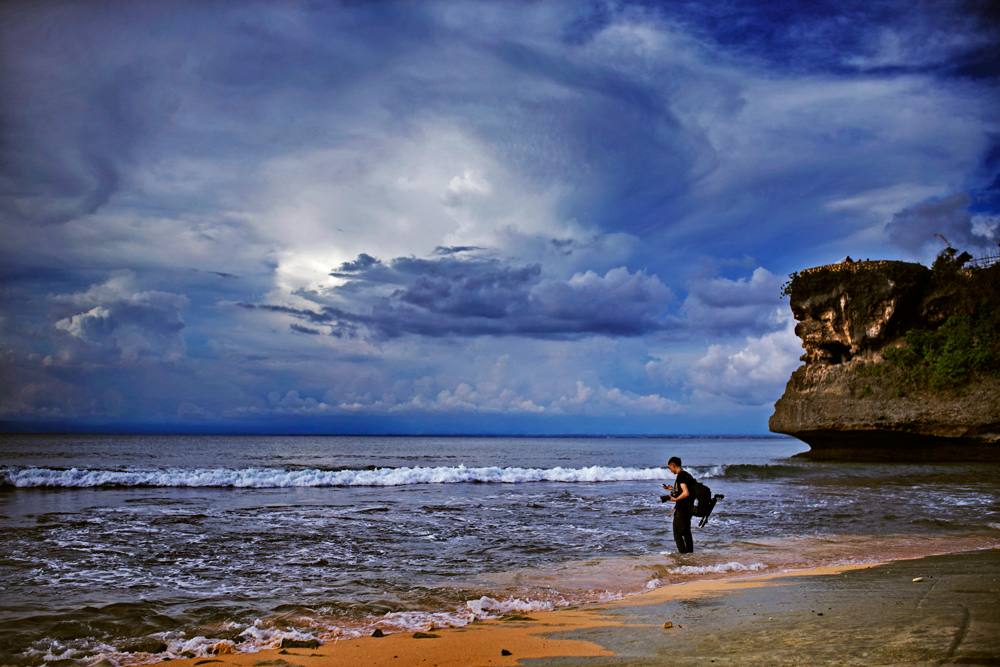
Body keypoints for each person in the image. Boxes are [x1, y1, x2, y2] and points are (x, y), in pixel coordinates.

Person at [662, 456, 696, 553]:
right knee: (686, 534)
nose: (670, 470)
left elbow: (686, 493)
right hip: (688, 509)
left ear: (673, 465)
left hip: (682, 510)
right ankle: (689, 555)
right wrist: (673, 489)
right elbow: (685, 490)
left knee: (677, 534)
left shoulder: (680, 476)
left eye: (670, 468)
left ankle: (683, 555)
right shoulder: (687, 475)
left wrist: (675, 499)